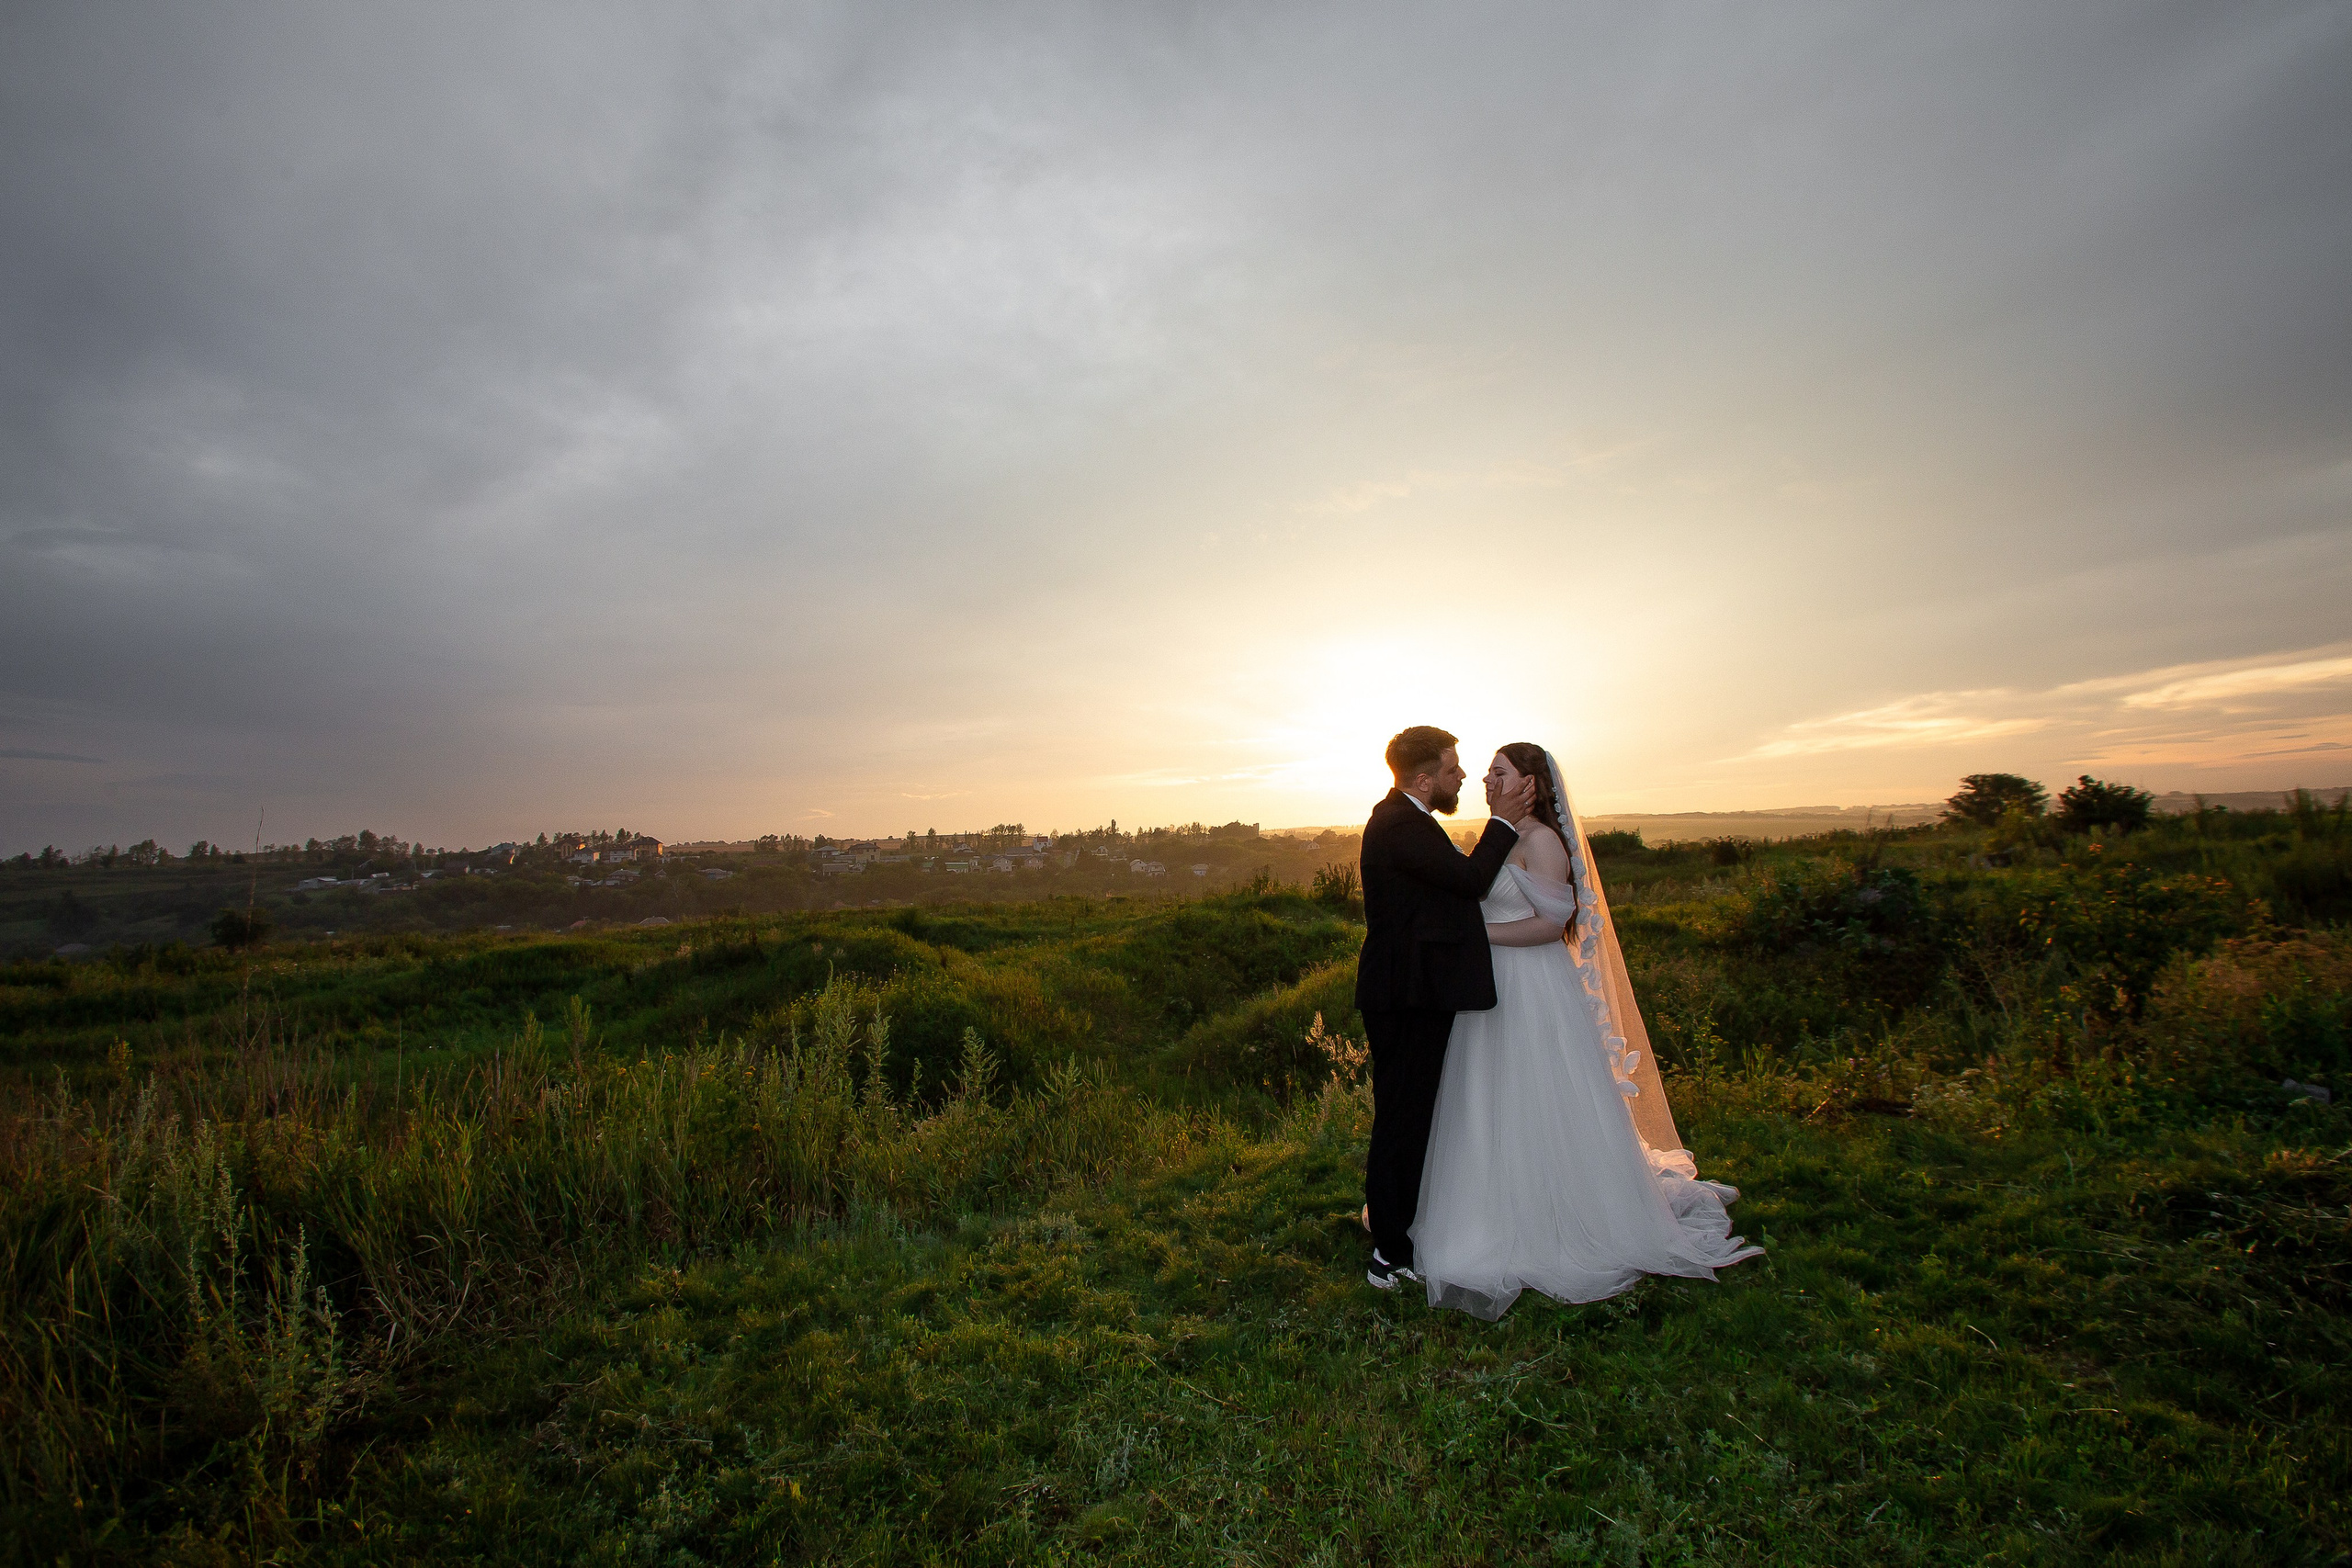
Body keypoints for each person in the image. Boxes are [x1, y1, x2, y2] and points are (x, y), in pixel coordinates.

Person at [1409, 743, 1762, 1317]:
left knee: (1537, 1095)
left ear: (1530, 783)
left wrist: (1476, 940)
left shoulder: (1542, 841)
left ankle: (1561, 1219)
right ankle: (1487, 1206)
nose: (1486, 779)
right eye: (1489, 772)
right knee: (1487, 1100)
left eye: (1499, 772)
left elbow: (1552, 925)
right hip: (1486, 989)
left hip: (1530, 989)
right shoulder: (1498, 834)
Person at [1353, 726, 1537, 1289]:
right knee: (1403, 1118)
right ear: (1424, 776)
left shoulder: (1410, 821)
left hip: (1412, 991)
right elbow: (1471, 880)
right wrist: (1503, 819)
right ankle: (1389, 1253)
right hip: (1406, 995)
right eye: (1453, 767)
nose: (1463, 776)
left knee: (1407, 1113)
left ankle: (1395, 1230)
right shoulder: (1401, 824)